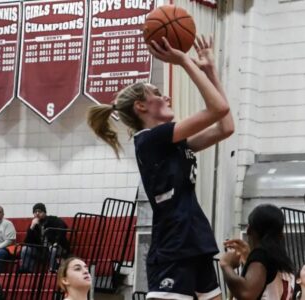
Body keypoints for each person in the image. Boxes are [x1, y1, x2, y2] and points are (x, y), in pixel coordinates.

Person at [87, 35, 234, 300]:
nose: (165, 95)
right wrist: (183, 61)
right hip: (173, 244)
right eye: (156, 93)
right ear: (141, 106)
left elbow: (226, 126)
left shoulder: (173, 141)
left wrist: (210, 70)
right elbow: (218, 108)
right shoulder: (150, 140)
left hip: (194, 239)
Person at [220, 204, 295, 300]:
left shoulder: (261, 255)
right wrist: (249, 259)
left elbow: (247, 293)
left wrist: (226, 264)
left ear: (249, 229)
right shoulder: (284, 264)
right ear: (281, 234)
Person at [20, 203, 69, 272]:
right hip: (41, 251)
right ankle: (27, 270)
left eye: (39, 211)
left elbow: (63, 228)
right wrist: (32, 227)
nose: (37, 213)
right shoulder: (33, 224)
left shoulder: (53, 220)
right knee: (25, 249)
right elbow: (27, 242)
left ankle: (53, 269)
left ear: (44, 212)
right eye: (35, 212)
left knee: (54, 249)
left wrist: (56, 242)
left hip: (55, 249)